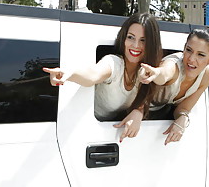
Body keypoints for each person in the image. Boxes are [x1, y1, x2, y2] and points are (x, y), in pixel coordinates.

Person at [43, 13, 163, 141]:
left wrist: (138, 112)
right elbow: (92, 75)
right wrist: (70, 73)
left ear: (151, 44)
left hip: (101, 135)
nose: (135, 45)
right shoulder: (114, 63)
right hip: (74, 128)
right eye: (131, 37)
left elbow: (152, 91)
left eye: (143, 40)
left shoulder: (147, 74)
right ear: (124, 38)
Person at [139, 26, 209, 145]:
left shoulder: (207, 76)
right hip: (131, 112)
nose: (191, 59)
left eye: (200, 55)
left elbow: (183, 109)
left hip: (153, 127)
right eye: (189, 50)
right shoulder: (174, 64)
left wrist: (183, 118)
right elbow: (165, 73)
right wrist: (156, 72)